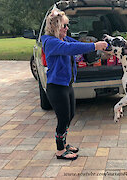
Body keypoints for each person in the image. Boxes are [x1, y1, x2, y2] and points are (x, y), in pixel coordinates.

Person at [41, 8, 108, 160]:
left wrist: (97, 47)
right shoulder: (51, 42)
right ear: (55, 27)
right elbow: (71, 49)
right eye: (64, 26)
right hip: (56, 88)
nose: (67, 28)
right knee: (63, 119)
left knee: (70, 115)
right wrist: (95, 46)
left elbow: (78, 44)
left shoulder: (63, 39)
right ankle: (60, 151)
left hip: (66, 85)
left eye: (67, 25)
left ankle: (64, 144)